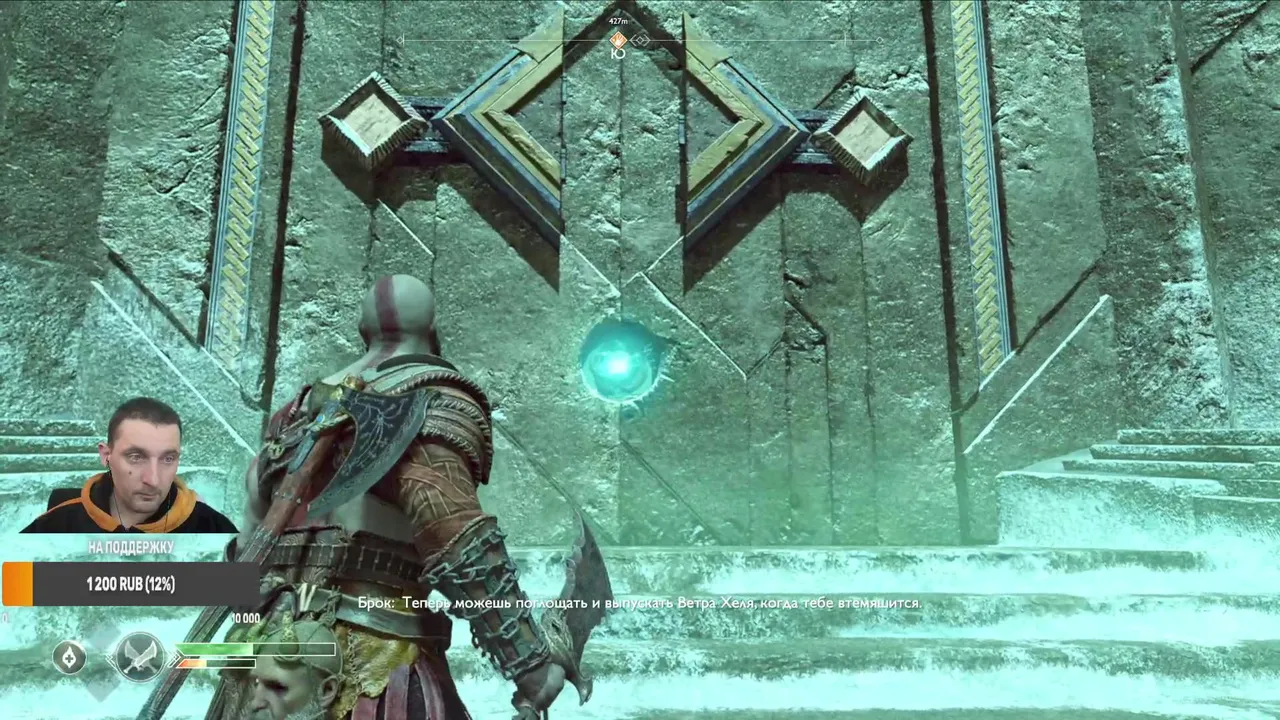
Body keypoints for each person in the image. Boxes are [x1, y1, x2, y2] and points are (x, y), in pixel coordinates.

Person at [204, 274, 565, 720]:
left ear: (363, 330)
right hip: (367, 662)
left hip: (264, 661)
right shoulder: (432, 398)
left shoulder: (296, 413)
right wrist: (530, 666)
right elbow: (459, 542)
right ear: (432, 327)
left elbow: (247, 542)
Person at [20, 397, 238, 533]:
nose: (153, 480)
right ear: (106, 455)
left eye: (168, 459)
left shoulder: (214, 530)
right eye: (136, 457)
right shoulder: (55, 526)